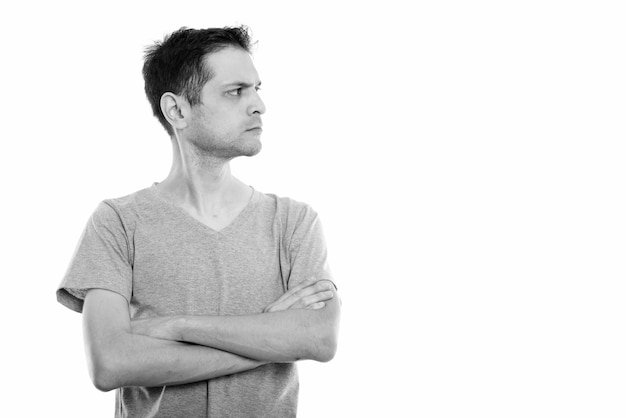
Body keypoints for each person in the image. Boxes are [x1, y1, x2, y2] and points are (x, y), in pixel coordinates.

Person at [56, 26, 340, 418]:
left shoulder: (294, 221)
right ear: (177, 110)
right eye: (235, 91)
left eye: (257, 88)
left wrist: (176, 327)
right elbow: (110, 364)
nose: (258, 104)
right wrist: (270, 337)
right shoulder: (118, 222)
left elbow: (319, 338)